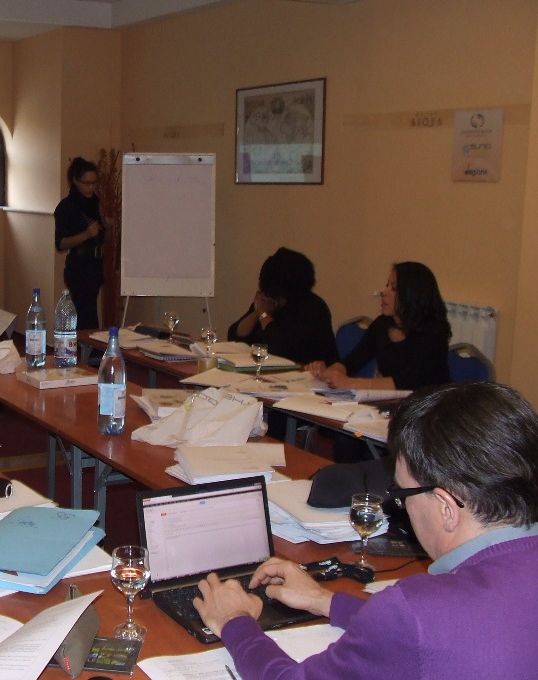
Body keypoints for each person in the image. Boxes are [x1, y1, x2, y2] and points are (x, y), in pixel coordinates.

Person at [193, 381, 538, 679]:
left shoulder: (417, 609)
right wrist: (326, 601)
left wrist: (235, 621)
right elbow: (436, 633)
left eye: (403, 495)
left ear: (446, 508)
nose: (402, 507)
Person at [307, 261, 450, 390]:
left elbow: (406, 382)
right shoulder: (382, 324)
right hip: (393, 402)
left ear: (412, 295)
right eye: (387, 285)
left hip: (428, 405)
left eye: (393, 288)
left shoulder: (433, 334)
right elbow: (352, 361)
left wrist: (348, 383)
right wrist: (329, 371)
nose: (384, 292)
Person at [228, 247, 338, 366]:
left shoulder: (313, 308)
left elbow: (282, 350)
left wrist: (264, 315)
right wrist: (257, 312)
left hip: (309, 372)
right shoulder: (268, 302)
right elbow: (234, 336)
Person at [54, 156, 105, 330]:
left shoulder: (96, 204)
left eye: (94, 183)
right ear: (75, 181)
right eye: (87, 183)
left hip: (95, 266)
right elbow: (60, 244)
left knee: (90, 316)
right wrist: (86, 234)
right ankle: (83, 346)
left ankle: (87, 345)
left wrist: (107, 226)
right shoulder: (66, 207)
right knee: (85, 318)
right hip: (79, 268)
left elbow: (102, 238)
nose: (91, 187)